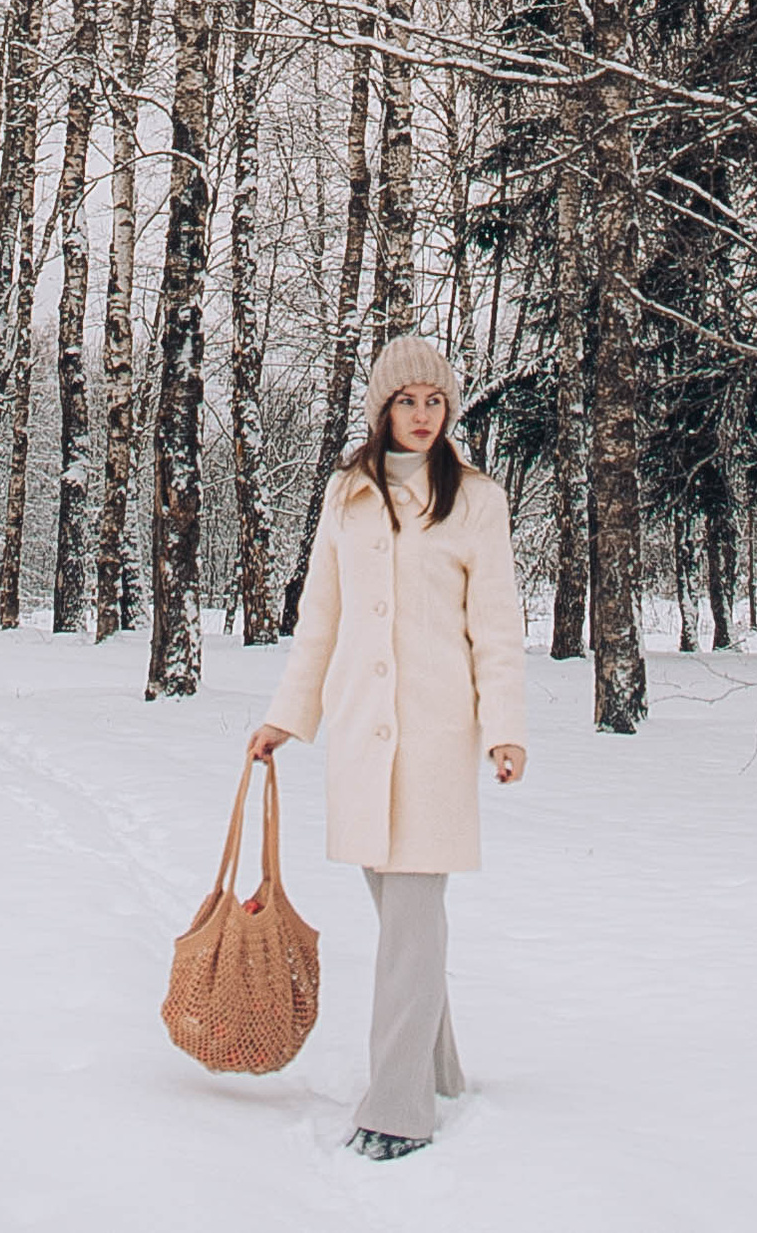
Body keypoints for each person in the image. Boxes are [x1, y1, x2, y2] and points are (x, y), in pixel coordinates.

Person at [248, 337, 528, 1162]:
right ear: (383, 408)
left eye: (435, 401)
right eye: (407, 400)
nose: (422, 414)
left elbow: (497, 627)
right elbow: (320, 620)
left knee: (410, 920)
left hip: (436, 738)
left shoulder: (476, 499)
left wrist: (505, 727)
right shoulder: (349, 494)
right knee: (407, 919)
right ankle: (440, 1071)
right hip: (361, 735)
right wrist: (286, 716)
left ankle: (401, 1107)